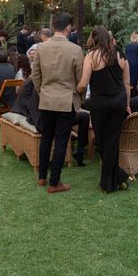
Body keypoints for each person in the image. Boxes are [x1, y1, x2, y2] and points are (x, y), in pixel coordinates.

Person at [32, 12, 84, 193]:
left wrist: (42, 91)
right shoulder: (75, 50)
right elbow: (80, 79)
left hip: (46, 99)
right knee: (61, 140)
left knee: (47, 137)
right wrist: (78, 93)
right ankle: (54, 182)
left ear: (53, 27)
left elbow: (35, 76)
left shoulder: (41, 48)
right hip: (65, 100)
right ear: (68, 27)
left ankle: (41, 178)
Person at [78, 25, 131, 193]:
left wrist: (76, 89)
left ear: (94, 39)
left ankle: (107, 183)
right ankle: (119, 176)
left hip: (100, 104)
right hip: (118, 102)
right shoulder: (120, 55)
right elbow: (127, 84)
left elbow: (83, 84)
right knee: (112, 141)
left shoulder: (91, 57)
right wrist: (127, 104)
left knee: (102, 140)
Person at [124, 32, 138, 97]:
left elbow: (126, 57)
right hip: (137, 65)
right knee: (137, 82)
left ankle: (130, 98)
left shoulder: (127, 46)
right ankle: (136, 97)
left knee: (130, 82)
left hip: (128, 65)